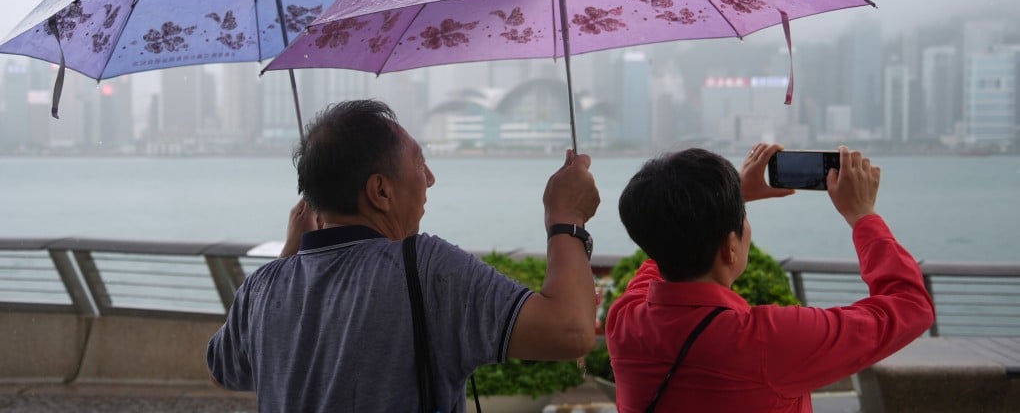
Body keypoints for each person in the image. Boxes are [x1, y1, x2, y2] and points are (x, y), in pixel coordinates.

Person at [206, 99, 600, 412]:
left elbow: (223, 368)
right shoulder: (427, 268)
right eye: (418, 163)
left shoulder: (262, 287)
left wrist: (290, 253)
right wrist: (567, 217)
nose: (429, 178)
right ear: (380, 192)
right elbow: (571, 331)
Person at [605, 143, 935, 413]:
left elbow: (664, 245)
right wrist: (863, 215)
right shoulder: (766, 342)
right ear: (729, 249)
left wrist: (729, 201)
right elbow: (911, 307)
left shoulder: (624, 320)